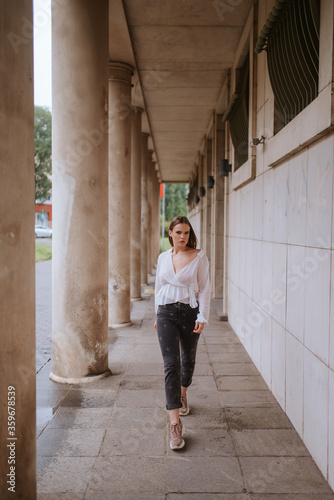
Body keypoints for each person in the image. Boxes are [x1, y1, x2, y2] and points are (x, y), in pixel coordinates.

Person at [154, 215, 210, 450]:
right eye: (178, 232)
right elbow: (158, 287)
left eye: (186, 232)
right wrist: (156, 314)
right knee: (171, 365)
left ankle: (183, 393)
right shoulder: (163, 258)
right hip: (166, 313)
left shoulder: (199, 256)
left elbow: (205, 288)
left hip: (189, 313)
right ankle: (175, 425)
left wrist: (203, 316)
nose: (183, 237)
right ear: (170, 233)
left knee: (188, 360)